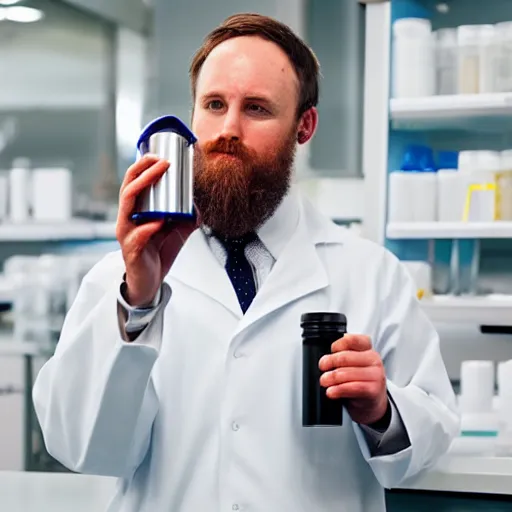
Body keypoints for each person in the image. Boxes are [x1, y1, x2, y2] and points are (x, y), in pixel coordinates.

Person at [33, 13, 459, 512]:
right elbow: (80, 446)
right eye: (214, 105)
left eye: (256, 108)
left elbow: (432, 434)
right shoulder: (120, 280)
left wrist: (383, 411)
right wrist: (139, 306)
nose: (227, 129)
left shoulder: (370, 275)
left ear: (305, 125)